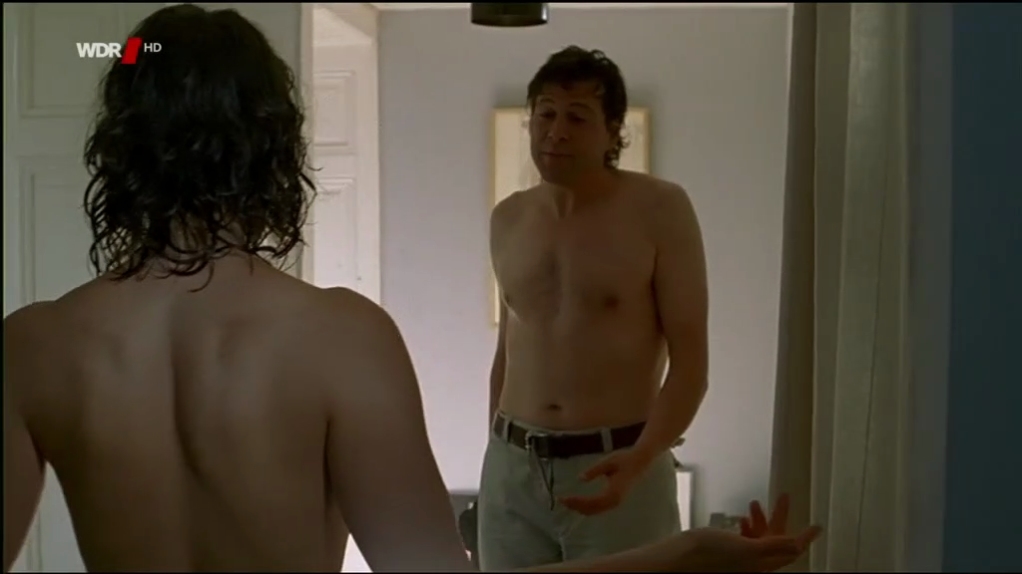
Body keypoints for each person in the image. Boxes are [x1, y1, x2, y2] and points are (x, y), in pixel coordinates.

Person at [2, 5, 821, 573]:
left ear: (118, 145)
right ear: (273, 144)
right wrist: (686, 555)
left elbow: (689, 358)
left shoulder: (33, 346)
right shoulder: (341, 337)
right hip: (522, 460)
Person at [481, 46, 712, 570]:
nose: (556, 132)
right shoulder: (508, 217)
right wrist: (495, 453)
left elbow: (691, 364)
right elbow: (509, 350)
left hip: (618, 460)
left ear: (612, 133)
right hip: (513, 467)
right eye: (545, 114)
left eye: (577, 117)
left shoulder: (660, 209)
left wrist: (643, 458)